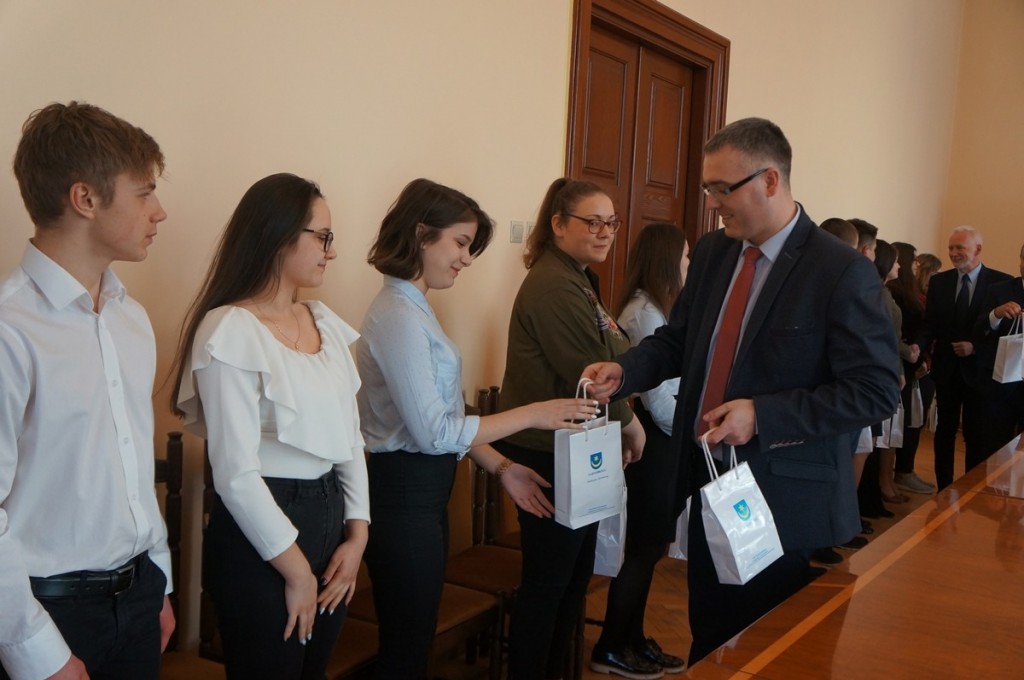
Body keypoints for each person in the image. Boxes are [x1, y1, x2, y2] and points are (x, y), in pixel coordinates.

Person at [583, 117, 899, 664]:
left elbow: (874, 391)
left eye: (722, 189)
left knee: (774, 653)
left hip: (784, 499)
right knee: (710, 636)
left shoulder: (839, 270)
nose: (712, 203)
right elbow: (680, 340)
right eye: (708, 188)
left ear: (770, 180)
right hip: (707, 480)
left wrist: (763, 415)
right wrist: (626, 371)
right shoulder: (715, 252)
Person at [355, 178, 598, 679]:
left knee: (415, 638)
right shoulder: (398, 315)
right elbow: (432, 433)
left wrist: (503, 466)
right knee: (406, 646)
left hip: (422, 491)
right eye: (461, 243)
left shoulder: (414, 307)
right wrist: (532, 413)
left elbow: (447, 415)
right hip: (403, 492)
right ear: (421, 234)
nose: (466, 259)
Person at [0, 102, 174, 680]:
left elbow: (131, 464)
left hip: (139, 597)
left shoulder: (131, 319)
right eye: (144, 193)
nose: (159, 211)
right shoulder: (10, 330)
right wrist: (36, 651)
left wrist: (159, 580)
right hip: (46, 614)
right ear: (85, 198)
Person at [171, 174, 368, 679]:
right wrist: (297, 571)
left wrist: (358, 536)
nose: (331, 251)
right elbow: (235, 473)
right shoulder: (230, 329)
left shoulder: (323, 322)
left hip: (331, 518)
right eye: (322, 237)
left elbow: (350, 438)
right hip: (263, 529)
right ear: (279, 235)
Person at [494, 177, 647, 680]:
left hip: (575, 447)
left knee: (572, 580)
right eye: (593, 222)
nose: (605, 232)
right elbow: (591, 370)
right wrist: (631, 424)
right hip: (547, 452)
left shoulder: (578, 278)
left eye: (612, 223)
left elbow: (613, 353)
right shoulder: (554, 284)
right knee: (549, 584)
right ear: (558, 224)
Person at [591, 223, 689, 676]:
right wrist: (696, 428)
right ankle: (612, 644)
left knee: (652, 548)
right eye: (685, 257)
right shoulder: (644, 314)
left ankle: (633, 638)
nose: (689, 265)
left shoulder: (657, 308)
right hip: (653, 442)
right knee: (643, 548)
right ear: (667, 261)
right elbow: (659, 402)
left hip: (663, 441)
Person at [920, 226, 1011, 489]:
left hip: (980, 371)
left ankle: (972, 489)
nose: (953, 253)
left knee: (976, 434)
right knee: (944, 432)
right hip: (947, 369)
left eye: (960, 247)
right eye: (951, 248)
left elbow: (1001, 333)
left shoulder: (1001, 283)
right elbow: (930, 324)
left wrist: (975, 347)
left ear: (978, 249)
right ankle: (944, 488)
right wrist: (917, 347)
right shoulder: (939, 282)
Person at [888, 241, 937, 494]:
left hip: (918, 366)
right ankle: (902, 472)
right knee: (905, 423)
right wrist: (915, 358)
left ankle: (904, 470)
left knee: (913, 422)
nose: (916, 264)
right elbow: (899, 335)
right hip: (906, 367)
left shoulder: (910, 291)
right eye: (913, 259)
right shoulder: (895, 292)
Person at [973, 242, 1024, 455]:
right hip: (1000, 386)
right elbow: (979, 330)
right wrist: (996, 314)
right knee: (994, 447)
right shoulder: (999, 290)